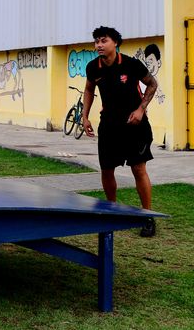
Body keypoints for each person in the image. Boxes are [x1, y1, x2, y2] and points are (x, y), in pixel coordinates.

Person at [81, 26, 158, 237]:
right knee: (107, 169)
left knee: (138, 169)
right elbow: (89, 89)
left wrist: (141, 109)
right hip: (109, 126)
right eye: (96, 41)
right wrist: (85, 115)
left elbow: (152, 84)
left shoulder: (132, 64)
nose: (98, 45)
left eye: (103, 41)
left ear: (115, 43)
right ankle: (111, 211)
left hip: (135, 126)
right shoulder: (93, 67)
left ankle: (147, 216)